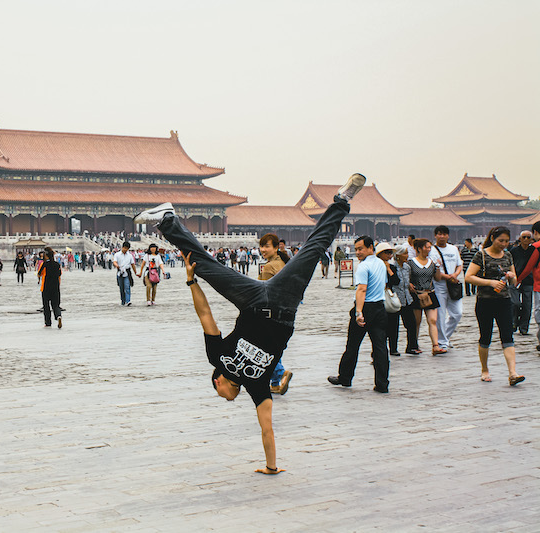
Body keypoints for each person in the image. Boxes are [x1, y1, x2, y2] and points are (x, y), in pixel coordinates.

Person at [135, 173, 365, 475]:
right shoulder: (257, 387)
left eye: (222, 396)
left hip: (253, 301)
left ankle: (167, 220)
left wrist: (191, 281)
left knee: (204, 266)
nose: (228, 401)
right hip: (284, 303)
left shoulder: (216, 357)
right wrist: (271, 467)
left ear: (218, 380)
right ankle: (342, 201)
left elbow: (206, 316)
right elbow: (267, 429)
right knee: (313, 249)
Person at [327, 236, 390, 393]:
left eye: (361, 248)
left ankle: (345, 377)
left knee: (353, 345)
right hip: (380, 308)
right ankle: (382, 383)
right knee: (380, 347)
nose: (358, 252)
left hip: (366, 307)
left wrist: (359, 312)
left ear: (370, 247)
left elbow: (362, 289)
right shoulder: (381, 264)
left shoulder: (363, 267)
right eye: (357, 249)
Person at [465, 227, 524, 386]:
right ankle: (485, 369)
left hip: (504, 301)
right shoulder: (481, 255)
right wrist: (490, 282)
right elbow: (468, 277)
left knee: (507, 335)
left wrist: (511, 277)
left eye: (506, 241)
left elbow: (515, 281)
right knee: (486, 336)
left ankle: (512, 373)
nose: (504, 244)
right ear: (492, 238)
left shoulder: (508, 255)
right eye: (501, 241)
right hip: (485, 301)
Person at [258, 233, 293, 395]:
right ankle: (274, 383)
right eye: (262, 246)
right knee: (275, 346)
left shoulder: (269, 267)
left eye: (266, 246)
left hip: (270, 312)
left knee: (266, 347)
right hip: (286, 311)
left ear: (276, 247)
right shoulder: (284, 263)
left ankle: (281, 373)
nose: (263, 249)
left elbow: (264, 293)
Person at [428, 226, 463, 352]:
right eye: (439, 234)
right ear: (435, 236)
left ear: (448, 236)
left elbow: (459, 264)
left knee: (457, 313)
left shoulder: (453, 248)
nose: (442, 236)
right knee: (440, 315)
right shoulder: (431, 250)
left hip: (453, 284)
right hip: (439, 285)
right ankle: (442, 342)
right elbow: (431, 269)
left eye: (444, 234)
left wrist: (455, 275)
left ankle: (444, 337)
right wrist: (447, 277)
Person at [409, 238, 443, 355]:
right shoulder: (411, 263)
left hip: (430, 293)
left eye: (430, 247)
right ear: (419, 248)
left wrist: (438, 267)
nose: (429, 249)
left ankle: (435, 345)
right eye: (426, 247)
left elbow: (437, 278)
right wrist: (409, 284)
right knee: (416, 321)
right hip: (417, 294)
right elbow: (406, 277)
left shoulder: (432, 263)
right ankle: (415, 344)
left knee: (433, 320)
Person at [515, 221, 540, 352]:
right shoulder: (516, 250)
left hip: (534, 283)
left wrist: (518, 279)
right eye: (524, 237)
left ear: (535, 233)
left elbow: (528, 268)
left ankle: (529, 331)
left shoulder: (535, 248)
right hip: (528, 282)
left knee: (533, 308)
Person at [376, 242, 402, 356]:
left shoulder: (392, 267)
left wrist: (388, 270)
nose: (389, 255)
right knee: (379, 327)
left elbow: (396, 281)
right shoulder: (374, 267)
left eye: (390, 253)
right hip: (378, 297)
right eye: (387, 253)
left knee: (394, 324)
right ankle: (379, 350)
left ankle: (393, 348)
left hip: (389, 296)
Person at [392, 244, 419, 354]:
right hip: (395, 299)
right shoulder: (392, 267)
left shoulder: (407, 267)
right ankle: (393, 349)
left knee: (411, 323)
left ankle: (411, 346)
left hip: (407, 298)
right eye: (405, 253)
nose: (407, 255)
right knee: (394, 326)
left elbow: (407, 282)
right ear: (398, 255)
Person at [509, 230, 534, 335]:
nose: (526, 239)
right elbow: (509, 264)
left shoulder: (534, 250)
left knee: (527, 305)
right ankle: (514, 322)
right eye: (524, 237)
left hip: (529, 280)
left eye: (528, 237)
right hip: (515, 280)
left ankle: (524, 327)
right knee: (515, 303)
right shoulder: (514, 251)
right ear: (520, 238)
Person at [37, 246, 63, 328]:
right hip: (56, 287)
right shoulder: (57, 264)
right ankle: (58, 316)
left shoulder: (44, 264)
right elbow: (60, 275)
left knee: (46, 306)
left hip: (45, 287)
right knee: (56, 305)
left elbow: (39, 274)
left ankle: (48, 322)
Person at [113, 241, 138, 306]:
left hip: (127, 272)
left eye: (127, 248)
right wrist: (117, 266)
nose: (125, 249)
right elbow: (114, 262)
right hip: (120, 272)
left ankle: (128, 301)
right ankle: (123, 300)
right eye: (125, 248)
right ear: (122, 247)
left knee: (127, 286)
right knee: (121, 288)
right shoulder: (117, 254)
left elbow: (132, 264)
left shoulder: (130, 255)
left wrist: (135, 272)